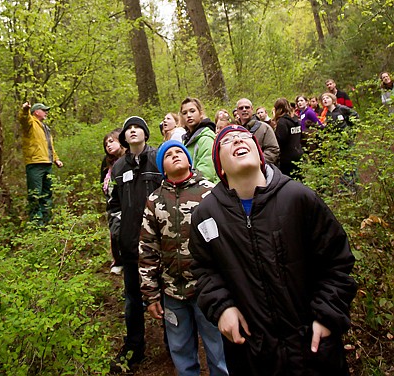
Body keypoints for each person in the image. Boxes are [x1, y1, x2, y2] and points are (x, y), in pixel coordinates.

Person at [189, 124, 357, 376]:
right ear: (220, 167)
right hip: (252, 353)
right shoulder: (205, 215)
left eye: (244, 137)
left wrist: (326, 315)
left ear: (260, 155)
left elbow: (337, 261)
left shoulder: (299, 198)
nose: (237, 140)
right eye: (227, 140)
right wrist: (222, 307)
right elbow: (204, 269)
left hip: (313, 348)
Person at [139, 140, 228, 376]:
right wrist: (150, 294)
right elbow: (147, 248)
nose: (175, 155)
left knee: (219, 349)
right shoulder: (155, 201)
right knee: (180, 351)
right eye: (168, 155)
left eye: (180, 152)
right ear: (162, 167)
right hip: (172, 291)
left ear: (189, 159)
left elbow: (226, 241)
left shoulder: (210, 193)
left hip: (207, 289)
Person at [107, 116, 162, 373]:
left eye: (137, 127)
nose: (132, 131)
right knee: (132, 298)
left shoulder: (159, 158)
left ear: (146, 134)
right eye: (128, 129)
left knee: (167, 294)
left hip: (160, 243)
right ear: (123, 138)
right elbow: (113, 204)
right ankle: (134, 345)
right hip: (130, 244)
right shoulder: (118, 168)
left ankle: (174, 342)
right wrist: (118, 232)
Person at [18, 102, 63, 225]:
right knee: (35, 194)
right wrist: (25, 109)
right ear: (36, 112)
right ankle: (36, 222)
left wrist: (56, 159)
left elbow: (49, 146)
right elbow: (23, 118)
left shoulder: (45, 128)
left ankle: (46, 220)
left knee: (47, 193)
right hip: (35, 163)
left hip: (47, 164)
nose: (46, 112)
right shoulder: (31, 123)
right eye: (44, 110)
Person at [100, 128, 125, 275]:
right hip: (112, 203)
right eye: (106, 143)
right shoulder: (106, 162)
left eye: (111, 141)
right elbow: (102, 180)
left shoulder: (127, 158)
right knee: (114, 233)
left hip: (126, 202)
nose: (108, 145)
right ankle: (118, 260)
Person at [180, 97, 218, 182]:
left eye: (192, 111)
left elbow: (207, 172)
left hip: (205, 189)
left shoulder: (206, 137)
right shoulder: (186, 140)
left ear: (200, 113)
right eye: (184, 113)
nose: (189, 115)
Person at [235, 98, 280, 165]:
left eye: (247, 107)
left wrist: (258, 161)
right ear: (237, 111)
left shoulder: (264, 127)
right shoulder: (235, 131)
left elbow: (273, 150)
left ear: (252, 109)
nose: (244, 110)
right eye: (241, 108)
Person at [273, 98, 303, 177]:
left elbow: (280, 140)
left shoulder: (282, 122)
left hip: (286, 158)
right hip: (298, 154)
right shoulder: (296, 120)